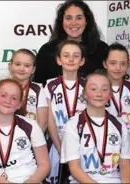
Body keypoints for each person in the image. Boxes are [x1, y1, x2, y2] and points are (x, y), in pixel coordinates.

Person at [61, 71, 130, 183]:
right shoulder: (73, 125)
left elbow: (125, 165)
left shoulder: (120, 125)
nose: (99, 94)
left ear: (110, 95)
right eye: (93, 89)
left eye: (104, 89)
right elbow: (74, 168)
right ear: (84, 93)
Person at [0, 79, 50, 183]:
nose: (8, 101)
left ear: (19, 104)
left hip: (30, 179)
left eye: (14, 98)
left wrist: (31, 182)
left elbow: (44, 164)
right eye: (3, 96)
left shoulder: (31, 125)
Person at [33, 0, 108, 86]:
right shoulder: (47, 50)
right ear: (62, 21)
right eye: (68, 18)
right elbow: (38, 86)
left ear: (86, 21)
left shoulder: (102, 49)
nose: (73, 23)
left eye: (79, 18)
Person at [45, 40, 87, 183]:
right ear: (58, 59)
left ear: (82, 61)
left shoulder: (88, 85)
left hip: (82, 148)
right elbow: (49, 121)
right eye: (66, 55)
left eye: (76, 56)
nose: (70, 59)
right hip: (56, 146)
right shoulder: (50, 86)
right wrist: (61, 147)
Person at [103, 43, 130, 183]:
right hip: (105, 146)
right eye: (113, 63)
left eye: (123, 64)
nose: (118, 68)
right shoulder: (97, 86)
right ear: (105, 64)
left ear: (128, 66)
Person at [8, 49, 48, 131]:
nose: (22, 68)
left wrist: (35, 141)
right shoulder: (2, 87)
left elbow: (43, 123)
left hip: (33, 140)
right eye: (18, 64)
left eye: (27, 66)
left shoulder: (38, 90)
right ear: (10, 66)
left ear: (33, 70)